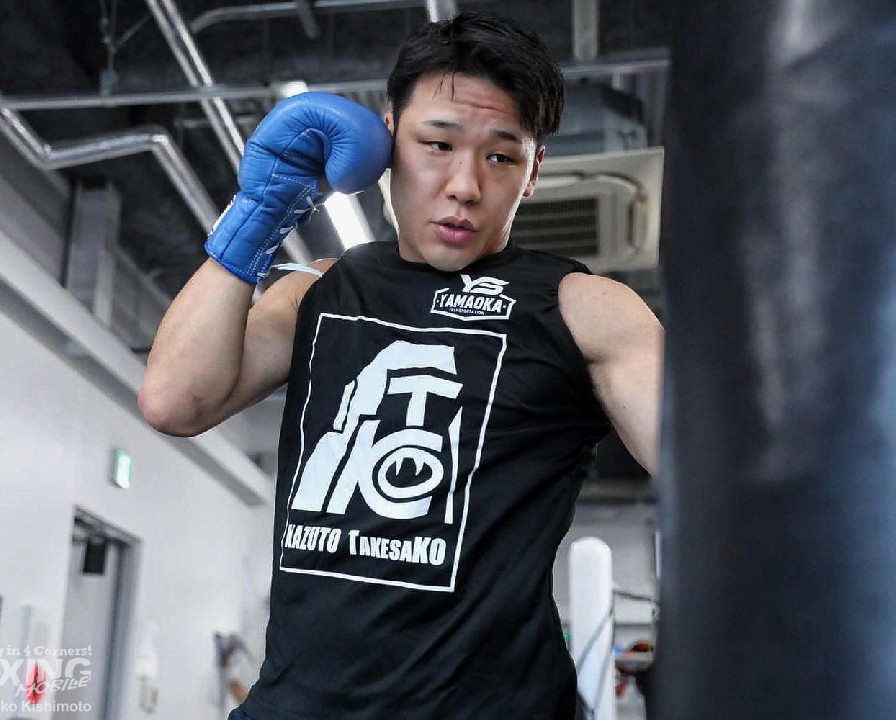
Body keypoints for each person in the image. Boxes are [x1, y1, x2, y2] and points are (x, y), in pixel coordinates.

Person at [139, 12, 662, 720]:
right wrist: (259, 212)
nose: (464, 185)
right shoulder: (314, 292)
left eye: (501, 157)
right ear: (389, 139)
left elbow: (722, 482)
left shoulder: (585, 308)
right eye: (437, 144)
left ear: (534, 171)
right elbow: (174, 402)